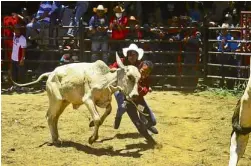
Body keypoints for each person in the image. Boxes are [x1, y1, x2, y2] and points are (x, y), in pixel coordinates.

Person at [9, 25, 27, 91]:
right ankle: (14, 86)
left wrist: (22, 59)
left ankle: (22, 86)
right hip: (13, 58)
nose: (16, 31)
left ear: (20, 31)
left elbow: (23, 50)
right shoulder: (14, 36)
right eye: (15, 30)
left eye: (18, 30)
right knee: (14, 73)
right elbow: (10, 29)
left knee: (21, 73)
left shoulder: (22, 39)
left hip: (19, 59)